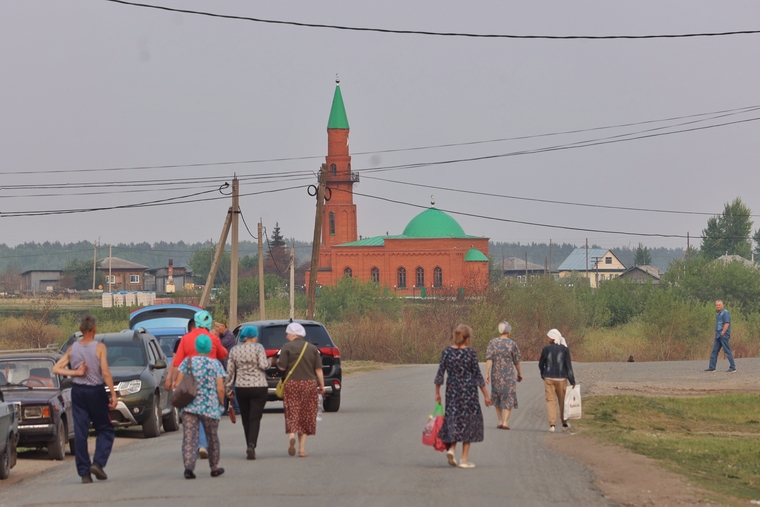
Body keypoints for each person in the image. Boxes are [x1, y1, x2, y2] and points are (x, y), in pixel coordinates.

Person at [52, 315, 118, 484]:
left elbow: (56, 368)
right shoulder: (99, 347)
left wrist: (76, 373)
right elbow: (105, 371)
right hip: (95, 391)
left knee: (81, 433)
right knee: (105, 428)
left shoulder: (72, 349)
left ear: (81, 330)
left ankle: (84, 473)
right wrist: (113, 393)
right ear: (95, 329)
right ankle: (97, 462)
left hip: (78, 391)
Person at [166, 310, 228, 459]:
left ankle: (193, 446)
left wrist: (174, 380)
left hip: (189, 382)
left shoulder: (185, 339)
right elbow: (223, 354)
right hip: (209, 382)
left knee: (191, 414)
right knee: (206, 413)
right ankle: (203, 444)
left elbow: (177, 362)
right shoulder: (213, 338)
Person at [434, 324, 491, 469]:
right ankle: (464, 459)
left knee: (454, 418)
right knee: (468, 422)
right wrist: (486, 395)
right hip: (469, 392)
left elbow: (440, 373)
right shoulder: (470, 354)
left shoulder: (447, 352)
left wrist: (437, 393)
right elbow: (478, 376)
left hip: (452, 391)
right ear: (467, 339)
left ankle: (452, 449)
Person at [176, 334, 226, 479]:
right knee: (212, 437)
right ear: (210, 347)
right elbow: (220, 388)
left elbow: (179, 382)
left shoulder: (188, 362)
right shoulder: (215, 364)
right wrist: (221, 402)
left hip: (190, 406)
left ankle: (189, 467)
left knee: (189, 437)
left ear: (196, 347)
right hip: (210, 407)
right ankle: (214, 467)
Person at [276, 322, 324, 458]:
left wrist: (276, 362)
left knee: (292, 411)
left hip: (292, 384)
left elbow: (282, 368)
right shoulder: (312, 348)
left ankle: (291, 435)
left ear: (293, 334)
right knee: (306, 415)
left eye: (287, 333)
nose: (286, 336)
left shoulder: (286, 347)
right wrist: (321, 385)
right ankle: (302, 449)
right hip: (309, 384)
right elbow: (318, 369)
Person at [225, 325, 269, 460]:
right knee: (255, 417)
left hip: (242, 387)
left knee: (245, 417)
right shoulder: (259, 348)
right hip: (259, 386)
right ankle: (251, 444)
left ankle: (248, 443)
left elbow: (230, 371)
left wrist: (228, 389)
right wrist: (271, 361)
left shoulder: (234, 350)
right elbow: (263, 365)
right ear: (254, 336)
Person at [485, 321, 522, 430]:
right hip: (508, 373)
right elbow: (516, 360)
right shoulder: (512, 343)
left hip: (496, 373)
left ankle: (499, 420)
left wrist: (487, 373)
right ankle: (506, 422)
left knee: (497, 395)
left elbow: (489, 359)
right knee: (508, 395)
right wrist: (519, 373)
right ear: (508, 331)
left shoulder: (493, 342)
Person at [538, 329, 575, 433]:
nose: (547, 339)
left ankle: (552, 424)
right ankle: (564, 424)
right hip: (562, 378)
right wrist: (572, 380)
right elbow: (568, 366)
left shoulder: (546, 349)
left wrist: (543, 374)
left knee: (550, 401)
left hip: (549, 377)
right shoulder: (564, 349)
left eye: (548, 337)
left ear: (552, 338)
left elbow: (541, 364)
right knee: (563, 401)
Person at [215, 320, 241, 415]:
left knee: (231, 386)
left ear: (224, 326)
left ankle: (236, 407)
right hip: (223, 365)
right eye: (215, 327)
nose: (216, 329)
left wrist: (215, 335)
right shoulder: (222, 336)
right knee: (225, 387)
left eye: (218, 327)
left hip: (229, 365)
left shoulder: (229, 336)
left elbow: (219, 344)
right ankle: (224, 408)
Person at [705, 300, 736, 373]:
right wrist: (716, 333)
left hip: (723, 335)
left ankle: (733, 367)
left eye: (719, 305)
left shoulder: (725, 313)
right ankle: (712, 367)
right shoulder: (718, 314)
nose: (718, 306)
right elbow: (718, 324)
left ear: (723, 305)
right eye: (717, 305)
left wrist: (723, 332)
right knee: (714, 351)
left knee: (727, 351)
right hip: (718, 335)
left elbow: (727, 323)